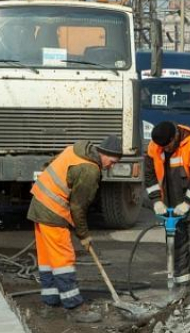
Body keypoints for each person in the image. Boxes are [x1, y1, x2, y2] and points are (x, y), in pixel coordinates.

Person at [27, 135, 124, 322]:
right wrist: (84, 235)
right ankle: (74, 306)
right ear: (104, 154)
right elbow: (78, 207)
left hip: (39, 202)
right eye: (112, 162)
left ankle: (51, 302)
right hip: (52, 211)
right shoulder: (90, 170)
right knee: (63, 260)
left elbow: (50, 165)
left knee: (49, 259)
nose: (111, 166)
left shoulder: (77, 150)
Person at [145, 121, 190, 286]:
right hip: (170, 208)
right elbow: (150, 175)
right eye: (162, 147)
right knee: (177, 250)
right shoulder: (155, 146)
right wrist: (156, 201)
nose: (165, 149)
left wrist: (187, 203)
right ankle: (182, 289)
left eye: (167, 146)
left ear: (175, 137)